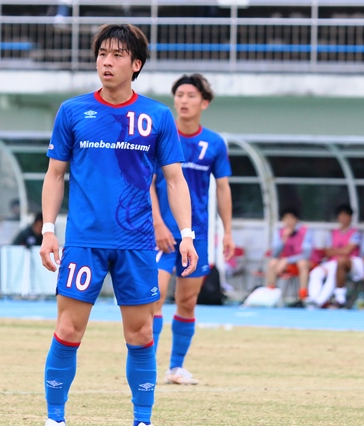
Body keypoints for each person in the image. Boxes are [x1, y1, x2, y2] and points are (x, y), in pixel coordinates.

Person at [38, 24, 197, 426]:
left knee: (141, 334)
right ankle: (54, 419)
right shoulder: (72, 111)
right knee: (68, 329)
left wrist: (187, 235)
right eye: (102, 54)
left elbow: (175, 180)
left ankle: (142, 419)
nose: (106, 62)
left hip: (137, 243)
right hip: (84, 241)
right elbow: (55, 175)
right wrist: (48, 230)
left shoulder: (157, 116)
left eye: (117, 55)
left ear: (136, 64)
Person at [150, 73, 233, 386]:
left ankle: (176, 368)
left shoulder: (214, 143)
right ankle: (147, 366)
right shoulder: (160, 136)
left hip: (195, 235)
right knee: (154, 297)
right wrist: (157, 223)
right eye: (179, 95)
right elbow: (147, 182)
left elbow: (223, 188)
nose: (183, 101)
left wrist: (227, 231)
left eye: (191, 96)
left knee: (186, 302)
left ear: (204, 103)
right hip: (161, 234)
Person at [306, 204, 360, 309]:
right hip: (331, 263)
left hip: (347, 264)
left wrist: (335, 251)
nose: (343, 218)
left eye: (346, 215)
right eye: (341, 215)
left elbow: (347, 251)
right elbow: (327, 252)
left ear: (351, 217)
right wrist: (341, 251)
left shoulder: (355, 233)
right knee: (315, 273)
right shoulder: (332, 233)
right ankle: (313, 298)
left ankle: (319, 301)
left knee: (333, 274)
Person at [0, 212, 43, 300]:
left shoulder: (46, 236)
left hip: (37, 265)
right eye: (40, 227)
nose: (40, 230)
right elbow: (14, 247)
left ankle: (35, 290)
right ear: (36, 224)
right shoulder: (25, 233)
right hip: (20, 264)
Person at [264, 207, 313, 302]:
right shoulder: (280, 232)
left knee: (302, 263)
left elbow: (306, 254)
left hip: (304, 263)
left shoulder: (306, 230)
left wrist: (287, 260)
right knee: (272, 262)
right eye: (286, 219)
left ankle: (303, 296)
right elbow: (274, 254)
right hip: (285, 264)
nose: (288, 221)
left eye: (291, 218)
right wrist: (284, 239)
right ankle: (271, 293)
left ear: (296, 219)